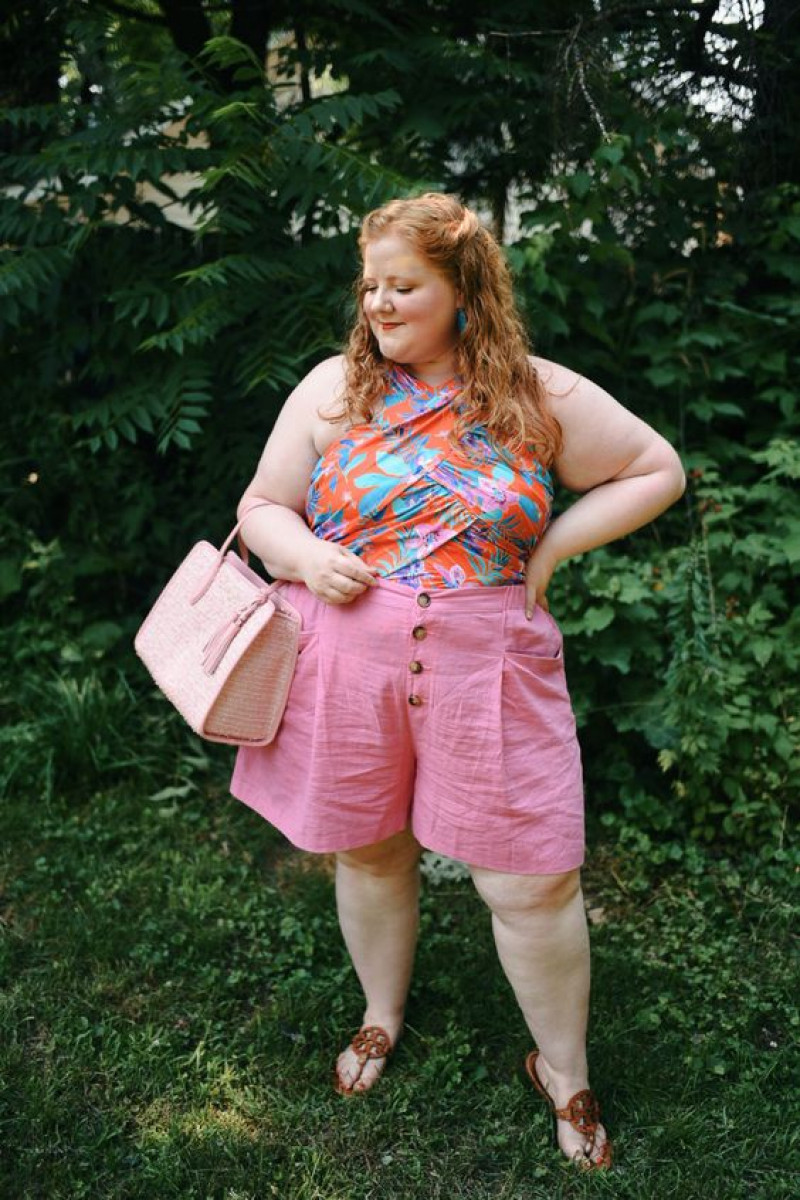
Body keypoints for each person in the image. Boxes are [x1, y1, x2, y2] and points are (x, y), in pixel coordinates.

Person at [231, 192, 685, 1171]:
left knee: (530, 881)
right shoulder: (329, 389)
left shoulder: (534, 394)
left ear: (463, 293)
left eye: (403, 287)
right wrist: (306, 559)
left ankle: (563, 1070)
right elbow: (261, 506)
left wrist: (552, 549)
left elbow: (654, 468)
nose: (378, 307)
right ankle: (380, 1013)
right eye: (369, 287)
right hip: (346, 659)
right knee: (368, 852)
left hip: (490, 667)